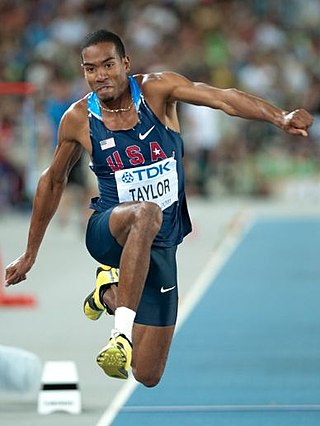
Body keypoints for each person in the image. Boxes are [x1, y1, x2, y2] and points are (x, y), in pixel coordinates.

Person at [5, 30, 313, 387]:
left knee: (148, 374)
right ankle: (120, 335)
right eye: (90, 69)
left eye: (108, 65)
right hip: (109, 230)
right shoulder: (78, 119)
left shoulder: (157, 90)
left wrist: (280, 117)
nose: (100, 75)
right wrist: (30, 253)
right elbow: (52, 181)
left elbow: (223, 98)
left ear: (125, 63)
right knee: (146, 212)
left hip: (161, 242)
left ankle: (108, 291)